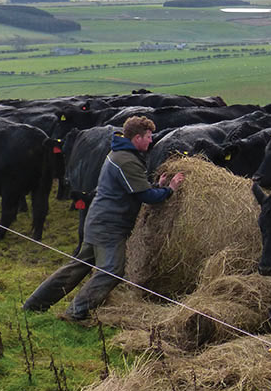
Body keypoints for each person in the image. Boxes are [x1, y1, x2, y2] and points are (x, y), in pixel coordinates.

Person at [23, 116, 184, 324]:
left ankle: (34, 304)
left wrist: (156, 185)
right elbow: (145, 197)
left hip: (99, 221)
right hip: (108, 226)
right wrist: (170, 189)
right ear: (137, 137)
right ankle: (76, 312)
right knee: (112, 270)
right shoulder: (126, 160)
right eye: (148, 137)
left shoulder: (121, 154)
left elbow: (134, 188)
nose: (151, 141)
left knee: (77, 266)